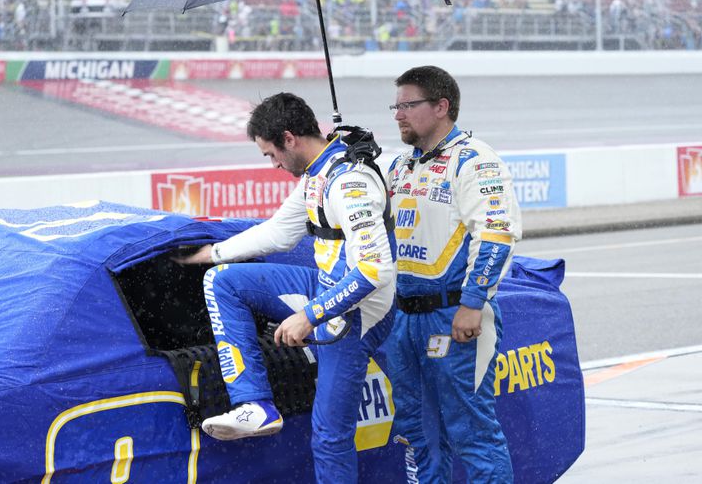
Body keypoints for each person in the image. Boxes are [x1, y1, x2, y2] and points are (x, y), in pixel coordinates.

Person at [176, 92, 396, 483]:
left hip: (357, 311)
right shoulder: (318, 172)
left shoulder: (349, 183)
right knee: (223, 280)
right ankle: (255, 405)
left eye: (270, 154)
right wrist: (209, 254)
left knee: (329, 436)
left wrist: (309, 316)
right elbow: (279, 233)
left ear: (289, 138)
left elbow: (375, 271)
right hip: (325, 286)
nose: (273, 164)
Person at [384, 66, 520, 483]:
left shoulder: (475, 159)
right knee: (418, 436)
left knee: (472, 433)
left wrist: (473, 303)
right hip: (404, 320)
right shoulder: (399, 166)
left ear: (441, 106)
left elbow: (497, 234)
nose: (398, 115)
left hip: (454, 316)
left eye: (408, 105)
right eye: (396, 106)